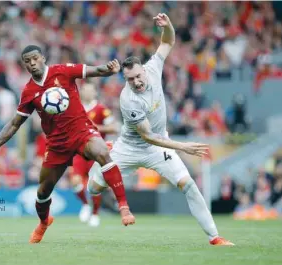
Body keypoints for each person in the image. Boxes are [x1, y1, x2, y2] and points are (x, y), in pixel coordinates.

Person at [86, 13, 234, 246]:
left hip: (157, 148)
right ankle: (102, 163)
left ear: (143, 70)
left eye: (137, 76)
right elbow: (148, 136)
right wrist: (182, 146)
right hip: (131, 148)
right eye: (130, 79)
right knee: (93, 189)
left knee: (188, 185)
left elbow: (167, 42)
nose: (135, 82)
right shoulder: (128, 100)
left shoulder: (153, 67)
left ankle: (214, 237)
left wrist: (168, 26)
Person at [0, 45, 135, 244]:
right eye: (27, 61)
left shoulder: (63, 71)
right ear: (25, 65)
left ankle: (124, 207)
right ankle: (43, 222)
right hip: (57, 144)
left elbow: (96, 70)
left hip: (81, 131)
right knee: (42, 192)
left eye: (34, 58)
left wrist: (109, 68)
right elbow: (14, 123)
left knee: (102, 152)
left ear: (43, 58)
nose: (32, 63)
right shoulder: (29, 92)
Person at [70, 82, 119, 227]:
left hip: (96, 153)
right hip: (79, 152)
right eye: (85, 90)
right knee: (75, 182)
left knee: (94, 186)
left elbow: (114, 127)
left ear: (95, 93)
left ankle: (95, 214)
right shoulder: (75, 108)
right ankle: (85, 205)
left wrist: (98, 127)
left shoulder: (101, 109)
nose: (87, 93)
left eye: (90, 90)